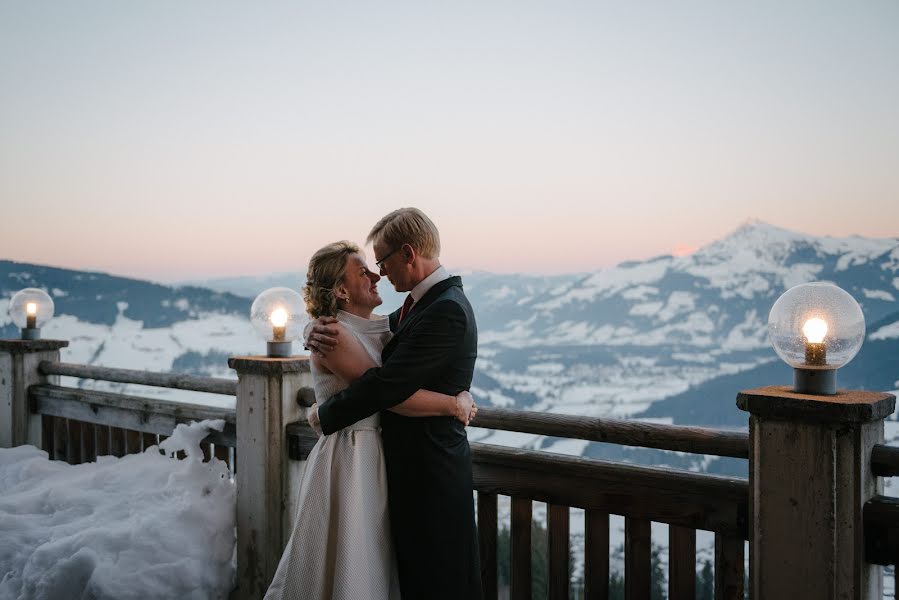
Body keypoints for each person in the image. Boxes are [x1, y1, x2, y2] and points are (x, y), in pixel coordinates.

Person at [265, 240, 476, 600]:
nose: (375, 274)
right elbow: (388, 394)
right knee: (353, 558)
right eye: (362, 270)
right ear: (341, 290)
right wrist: (453, 405)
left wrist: (306, 328)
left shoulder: (382, 325)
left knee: (376, 560)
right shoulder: (334, 334)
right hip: (352, 459)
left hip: (378, 455)